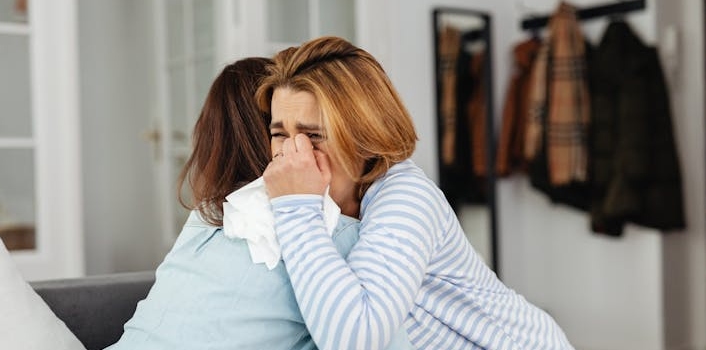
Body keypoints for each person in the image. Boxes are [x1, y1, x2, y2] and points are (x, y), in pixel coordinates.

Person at [257, 36, 574, 350]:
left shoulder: (407, 196)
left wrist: (295, 206)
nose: (292, 153)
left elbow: (354, 340)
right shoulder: (327, 206)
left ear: (366, 135)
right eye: (279, 134)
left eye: (314, 135)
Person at [106, 57, 413, 350]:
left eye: (313, 134)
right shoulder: (342, 237)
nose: (295, 147)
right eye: (279, 132)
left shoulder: (208, 213)